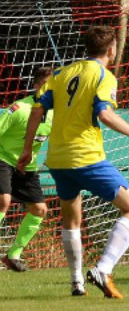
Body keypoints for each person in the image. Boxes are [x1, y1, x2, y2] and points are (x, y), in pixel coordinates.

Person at [18, 26, 129, 298]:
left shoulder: (61, 73)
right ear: (111, 50)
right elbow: (104, 114)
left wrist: (26, 149)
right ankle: (104, 269)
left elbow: (37, 110)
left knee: (71, 218)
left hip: (57, 159)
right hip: (86, 157)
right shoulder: (104, 76)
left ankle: (77, 282)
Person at [0, 67, 53, 272]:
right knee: (4, 199)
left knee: (40, 210)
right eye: (48, 86)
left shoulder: (56, 115)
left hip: (27, 166)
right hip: (3, 158)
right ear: (36, 86)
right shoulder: (19, 108)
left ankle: (13, 255)